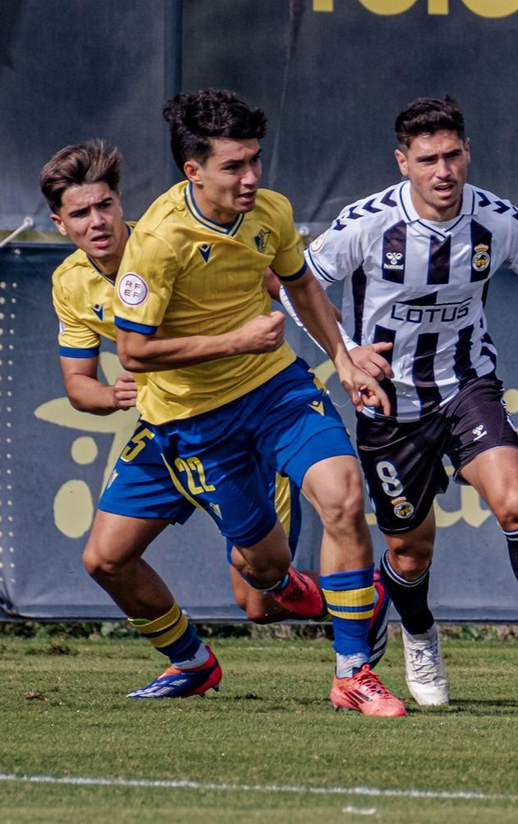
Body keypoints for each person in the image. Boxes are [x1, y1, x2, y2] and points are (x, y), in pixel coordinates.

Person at [292, 96, 518, 706]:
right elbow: (295, 287)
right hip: (390, 406)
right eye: (428, 158)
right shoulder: (366, 223)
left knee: (516, 503)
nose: (444, 170)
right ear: (402, 162)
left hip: (467, 385)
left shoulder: (495, 220)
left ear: (468, 154)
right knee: (409, 552)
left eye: (453, 155)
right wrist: (346, 353)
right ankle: (419, 635)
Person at [112, 90, 405, 717]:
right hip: (194, 422)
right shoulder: (158, 241)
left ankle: (353, 672)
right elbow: (133, 353)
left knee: (344, 496)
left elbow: (299, 282)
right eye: (233, 166)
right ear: (193, 170)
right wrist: (233, 339)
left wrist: (345, 361)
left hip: (275, 388)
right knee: (264, 572)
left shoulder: (270, 212)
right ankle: (333, 595)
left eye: (255, 161)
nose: (250, 178)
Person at [43, 140, 359, 697]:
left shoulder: (165, 244)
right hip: (165, 427)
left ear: (121, 205)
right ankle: (191, 662)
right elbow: (78, 385)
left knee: (258, 602)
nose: (98, 221)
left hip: (232, 414)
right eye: (81, 213)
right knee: (104, 559)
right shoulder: (70, 283)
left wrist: (336, 341)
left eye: (105, 206)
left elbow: (278, 280)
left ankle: (303, 586)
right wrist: (107, 395)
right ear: (59, 223)